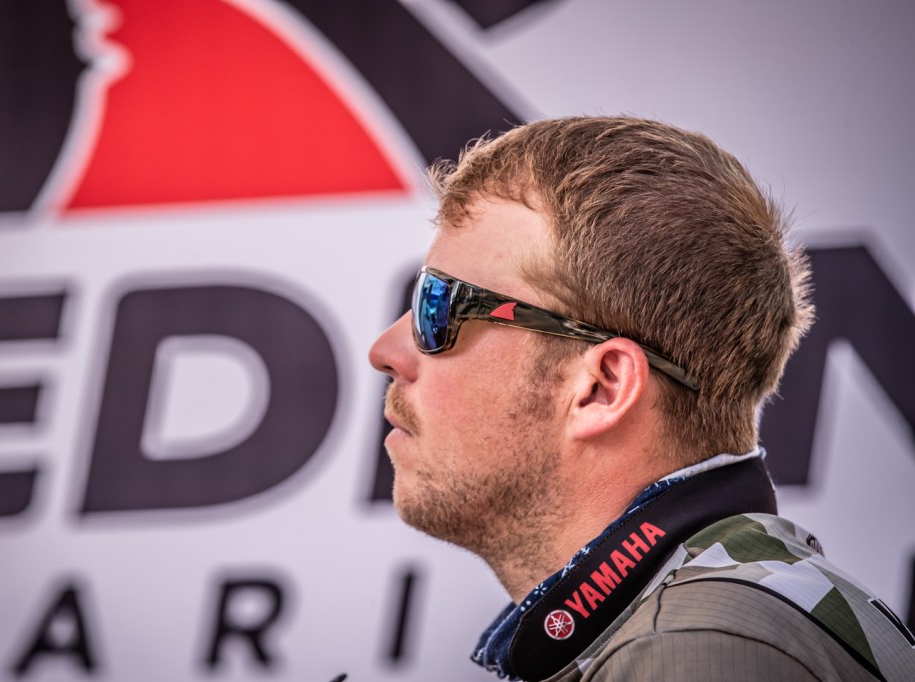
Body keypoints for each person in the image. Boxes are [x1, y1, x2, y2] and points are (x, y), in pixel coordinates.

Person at [368, 117, 915, 681]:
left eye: (438, 307)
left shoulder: (691, 651)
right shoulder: (722, 611)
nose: (384, 350)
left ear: (601, 388)